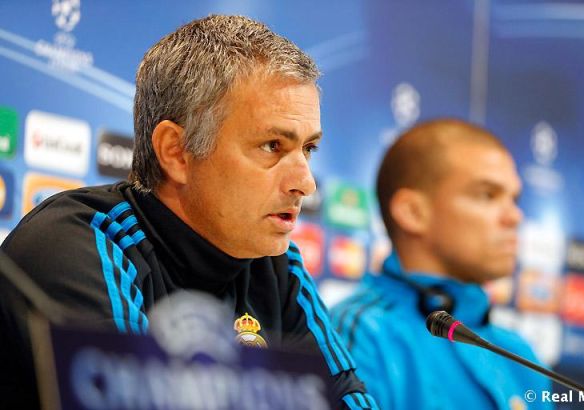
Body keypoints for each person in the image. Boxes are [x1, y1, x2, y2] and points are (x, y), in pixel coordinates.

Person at [0, 15, 377, 409]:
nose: (306, 183)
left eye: (308, 149)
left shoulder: (277, 267)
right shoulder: (78, 244)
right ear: (176, 152)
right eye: (272, 146)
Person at [331, 119, 552, 409]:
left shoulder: (521, 356)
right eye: (487, 195)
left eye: (514, 199)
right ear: (413, 212)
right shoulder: (358, 338)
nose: (515, 217)